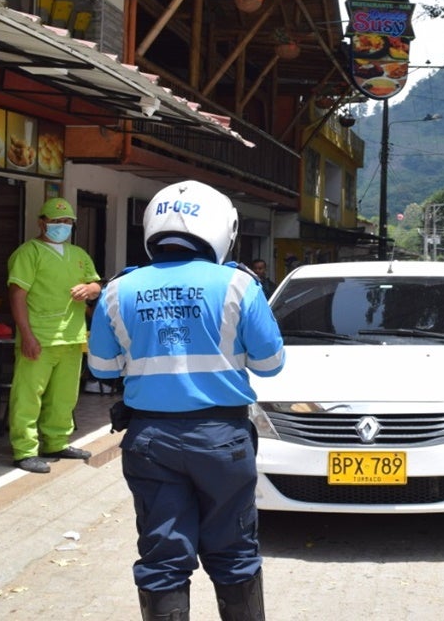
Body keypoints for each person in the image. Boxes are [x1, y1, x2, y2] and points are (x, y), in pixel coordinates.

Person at [87, 180, 284, 621]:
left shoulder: (120, 289)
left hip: (150, 439)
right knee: (234, 553)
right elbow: (271, 364)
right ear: (222, 229)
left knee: (161, 559)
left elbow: (101, 368)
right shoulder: (238, 285)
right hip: (222, 439)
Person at [7, 197, 101, 474]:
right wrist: (27, 335)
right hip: (40, 336)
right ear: (42, 222)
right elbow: (17, 295)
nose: (62, 226)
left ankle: (57, 442)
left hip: (72, 336)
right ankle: (24, 449)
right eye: (56, 221)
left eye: (67, 221)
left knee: (64, 396)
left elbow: (96, 283)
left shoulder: (79, 254)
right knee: (28, 395)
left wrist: (91, 290)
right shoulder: (28, 252)